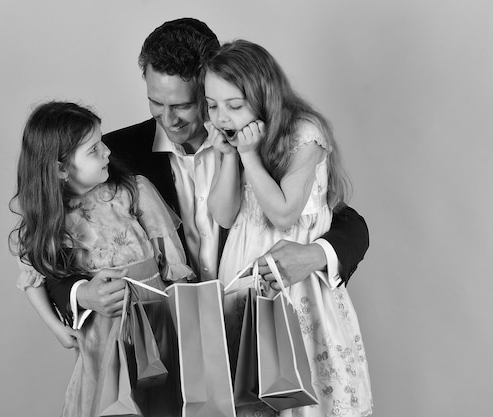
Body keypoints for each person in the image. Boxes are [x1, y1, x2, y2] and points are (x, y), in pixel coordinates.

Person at [44, 17, 368, 348]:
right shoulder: (113, 156)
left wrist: (316, 254)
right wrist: (82, 293)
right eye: (157, 102)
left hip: (252, 326)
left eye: (182, 105)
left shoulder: (256, 138)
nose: (169, 119)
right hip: (159, 343)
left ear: (210, 88)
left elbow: (346, 222)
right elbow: (47, 244)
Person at [202, 39, 372, 416]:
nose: (221, 118)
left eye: (233, 105)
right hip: (244, 277)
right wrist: (228, 157)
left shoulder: (304, 133)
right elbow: (225, 215)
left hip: (295, 283)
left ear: (263, 96)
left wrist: (250, 155)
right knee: (248, 385)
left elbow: (283, 215)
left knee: (299, 384)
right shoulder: (236, 138)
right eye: (212, 106)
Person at [10, 101, 192, 416]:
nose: (107, 151)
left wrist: (185, 309)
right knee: (114, 398)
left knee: (166, 398)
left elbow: (171, 260)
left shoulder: (133, 191)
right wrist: (56, 327)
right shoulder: (53, 221)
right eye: (94, 150)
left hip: (156, 313)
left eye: (102, 142)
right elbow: (33, 278)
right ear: (61, 169)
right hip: (105, 328)